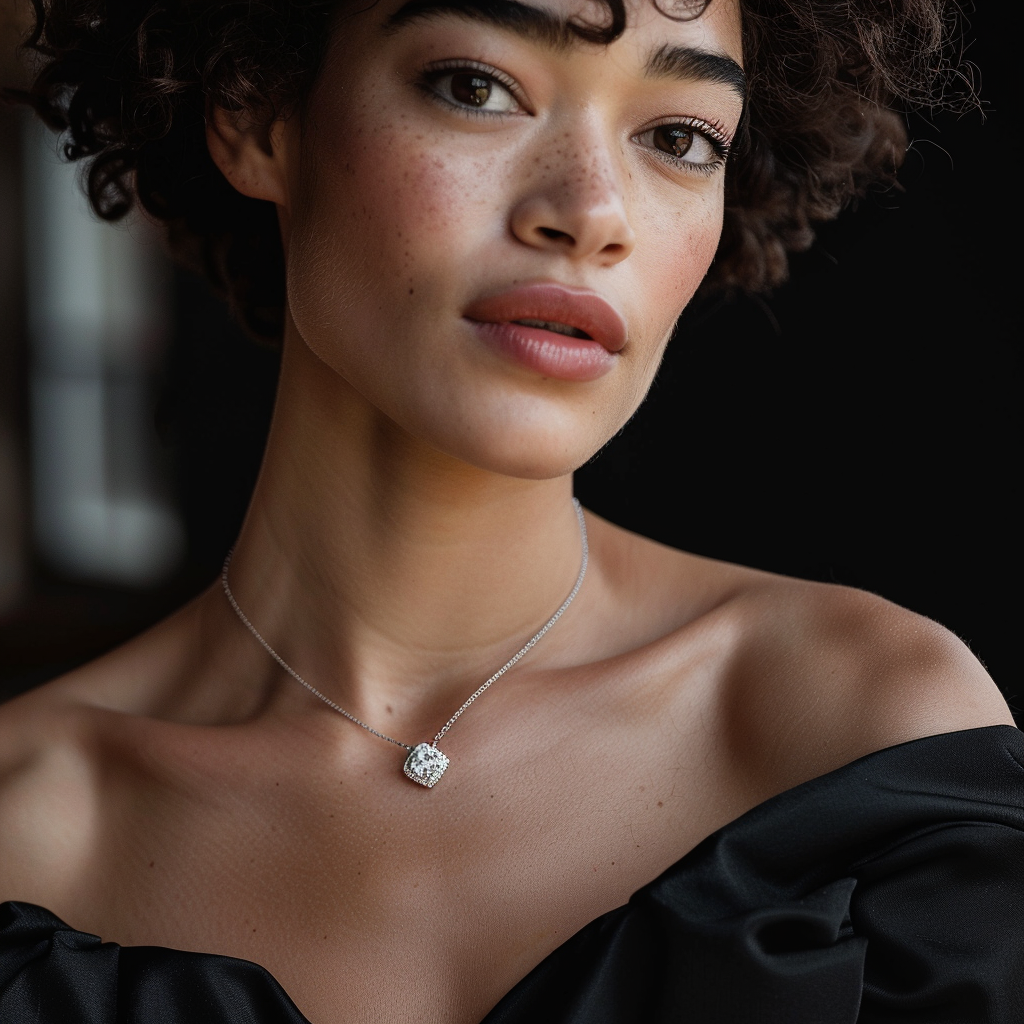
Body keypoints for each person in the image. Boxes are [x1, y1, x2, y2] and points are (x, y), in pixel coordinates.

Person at [1, 0, 1020, 1021]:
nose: (590, 210)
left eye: (677, 138)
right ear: (255, 115)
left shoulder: (871, 745)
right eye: (476, 87)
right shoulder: (26, 835)